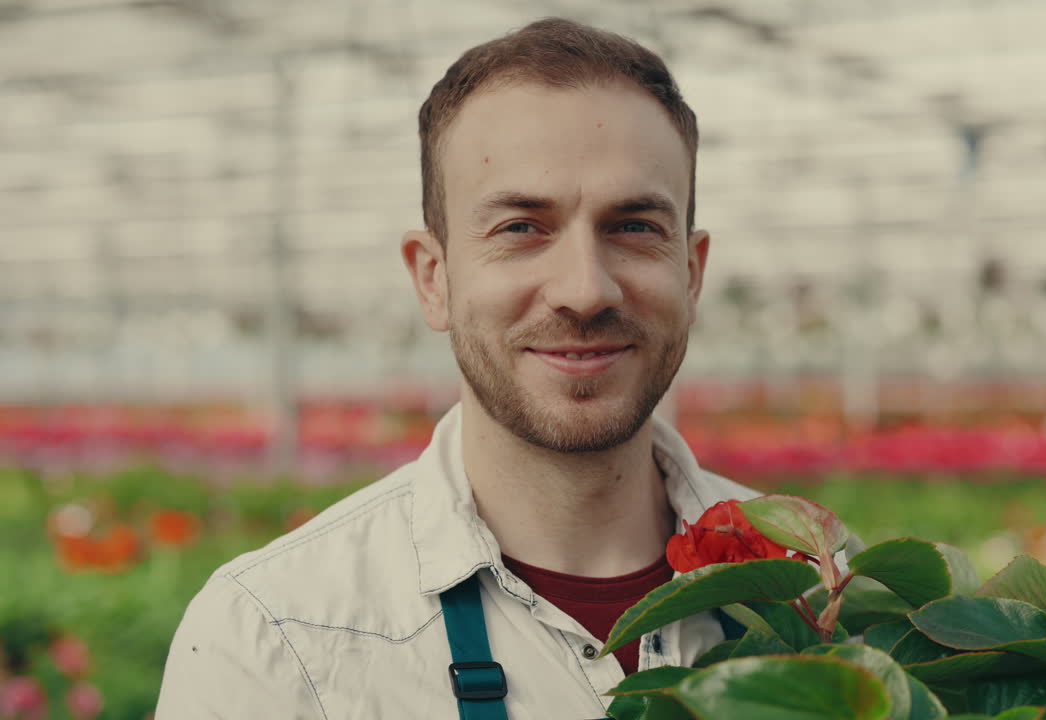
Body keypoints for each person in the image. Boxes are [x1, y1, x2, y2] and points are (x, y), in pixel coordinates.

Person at [156, 17, 766, 719]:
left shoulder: (829, 594)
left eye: (633, 226)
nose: (585, 289)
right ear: (433, 279)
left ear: (691, 274)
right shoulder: (277, 645)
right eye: (520, 228)